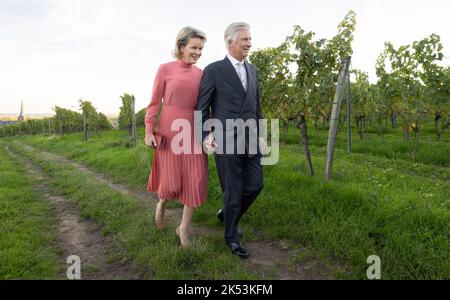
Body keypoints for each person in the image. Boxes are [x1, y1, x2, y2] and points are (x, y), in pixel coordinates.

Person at [196, 22, 264, 258]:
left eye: (250, 39)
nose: (249, 43)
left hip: (252, 138)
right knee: (233, 191)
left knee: (256, 184)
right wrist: (206, 135)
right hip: (225, 140)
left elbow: (257, 108)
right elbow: (202, 109)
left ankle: (227, 214)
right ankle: (231, 236)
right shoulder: (214, 70)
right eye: (244, 39)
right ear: (230, 42)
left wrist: (263, 136)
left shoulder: (253, 71)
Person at [144, 27, 208, 248]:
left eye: (201, 48)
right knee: (171, 182)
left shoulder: (202, 74)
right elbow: (154, 103)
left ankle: (183, 229)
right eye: (194, 47)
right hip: (170, 127)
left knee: (196, 178)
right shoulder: (165, 69)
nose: (198, 52)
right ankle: (162, 204)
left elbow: (205, 105)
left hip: (194, 129)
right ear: (181, 47)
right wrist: (148, 131)